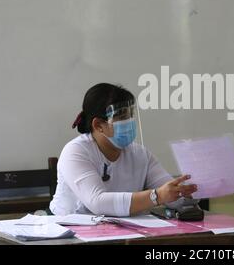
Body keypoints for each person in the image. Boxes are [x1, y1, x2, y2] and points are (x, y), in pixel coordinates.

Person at [49, 83, 197, 216]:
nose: (129, 122)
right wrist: (156, 196)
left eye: (130, 115)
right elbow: (98, 203)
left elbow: (172, 195)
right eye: (121, 117)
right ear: (98, 125)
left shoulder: (140, 154)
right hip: (68, 233)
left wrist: (190, 190)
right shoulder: (75, 151)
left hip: (122, 231)